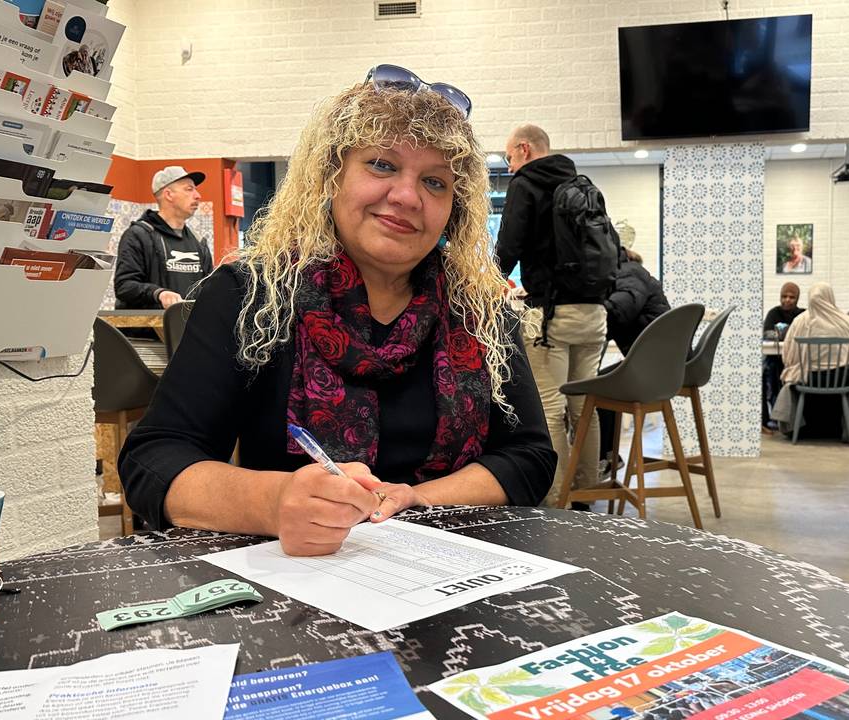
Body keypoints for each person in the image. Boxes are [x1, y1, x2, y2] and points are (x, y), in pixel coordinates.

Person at [120, 71, 556, 556]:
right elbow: (154, 460)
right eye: (382, 165)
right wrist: (274, 501)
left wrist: (417, 498)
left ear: (455, 208)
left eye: (435, 182)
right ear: (331, 175)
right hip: (293, 575)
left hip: (454, 568)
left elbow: (528, 456)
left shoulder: (479, 310)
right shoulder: (252, 295)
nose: (407, 196)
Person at [496, 124, 606, 506]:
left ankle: (557, 500)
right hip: (594, 313)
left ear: (524, 149)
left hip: (550, 315)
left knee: (550, 408)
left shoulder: (526, 184)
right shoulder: (581, 183)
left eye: (509, 157)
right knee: (585, 407)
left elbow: (508, 246)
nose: (509, 166)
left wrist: (486, 284)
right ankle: (586, 491)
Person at [598, 247, 669, 477]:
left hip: (653, 366)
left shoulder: (628, 273)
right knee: (599, 381)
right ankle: (607, 456)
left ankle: (604, 458)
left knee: (597, 387)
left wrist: (592, 312)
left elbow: (620, 309)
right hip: (664, 364)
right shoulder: (635, 273)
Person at [114, 165, 213, 309]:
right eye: (189, 189)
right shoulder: (138, 235)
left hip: (188, 323)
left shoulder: (199, 242)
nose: (198, 195)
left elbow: (209, 288)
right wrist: (158, 293)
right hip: (149, 324)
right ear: (168, 194)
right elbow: (124, 286)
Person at [776, 283, 849, 438]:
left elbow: (788, 354)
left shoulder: (800, 321)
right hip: (840, 379)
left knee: (788, 375)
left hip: (809, 379)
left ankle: (799, 427)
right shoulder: (846, 321)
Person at [761, 282, 801, 430]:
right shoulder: (774, 313)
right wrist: (787, 333)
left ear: (797, 299)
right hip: (775, 358)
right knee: (770, 369)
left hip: (795, 360)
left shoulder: (801, 314)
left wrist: (782, 333)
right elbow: (767, 333)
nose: (787, 300)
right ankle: (773, 414)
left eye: (791, 297)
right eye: (784, 296)